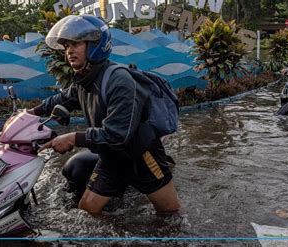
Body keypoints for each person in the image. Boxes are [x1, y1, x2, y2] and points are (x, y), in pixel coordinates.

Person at [29, 15, 181, 215]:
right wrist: (31, 113)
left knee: (170, 215)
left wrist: (73, 138)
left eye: (76, 44)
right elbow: (64, 98)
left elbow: (116, 135)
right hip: (111, 156)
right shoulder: (85, 78)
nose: (69, 51)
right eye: (66, 46)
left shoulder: (119, 80)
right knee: (86, 212)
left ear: (95, 45)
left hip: (142, 157)